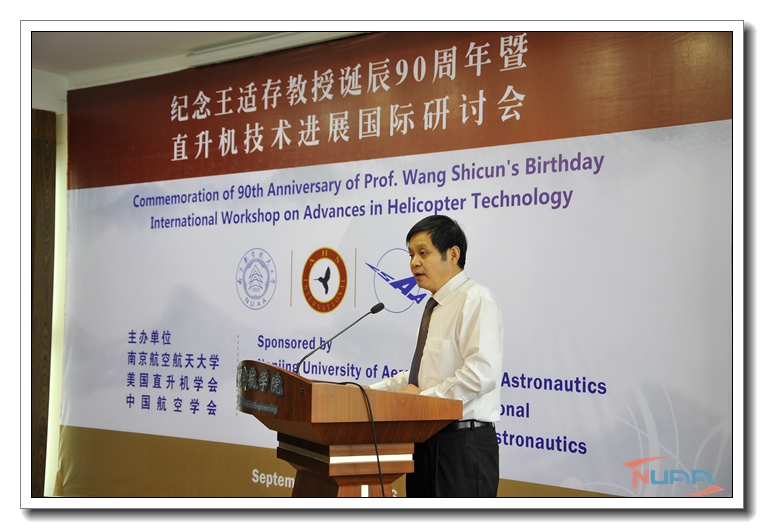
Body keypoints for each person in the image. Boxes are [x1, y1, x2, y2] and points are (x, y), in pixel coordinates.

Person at [369, 215, 504, 497]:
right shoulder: (436, 305)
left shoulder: (475, 299)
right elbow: (421, 377)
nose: (414, 263)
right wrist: (366, 393)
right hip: (424, 440)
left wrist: (422, 402)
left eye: (423, 253)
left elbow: (481, 374)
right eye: (411, 254)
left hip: (461, 445)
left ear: (452, 254)